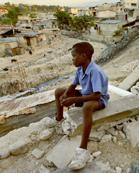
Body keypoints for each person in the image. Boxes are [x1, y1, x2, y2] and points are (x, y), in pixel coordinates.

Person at [55, 42, 109, 170]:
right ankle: (59, 118)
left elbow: (96, 96)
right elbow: (73, 85)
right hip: (85, 95)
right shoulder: (80, 69)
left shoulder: (95, 71)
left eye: (74, 56)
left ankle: (83, 150)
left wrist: (74, 99)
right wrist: (66, 95)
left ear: (84, 56)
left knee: (87, 107)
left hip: (98, 99)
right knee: (58, 91)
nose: (72, 59)